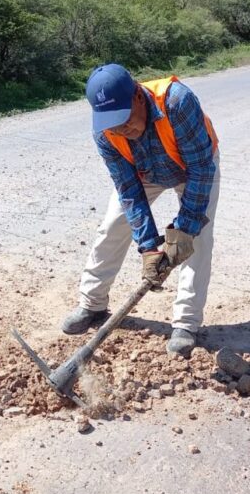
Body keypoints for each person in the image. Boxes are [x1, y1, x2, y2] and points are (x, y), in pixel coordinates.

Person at [61, 63, 221, 355]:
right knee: (112, 225)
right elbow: (129, 192)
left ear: (137, 95)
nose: (122, 129)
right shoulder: (105, 133)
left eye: (125, 119)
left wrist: (183, 231)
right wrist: (149, 247)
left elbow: (201, 170)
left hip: (193, 168)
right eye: (113, 123)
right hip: (145, 173)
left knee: (198, 240)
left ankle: (186, 323)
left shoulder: (177, 102)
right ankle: (92, 303)